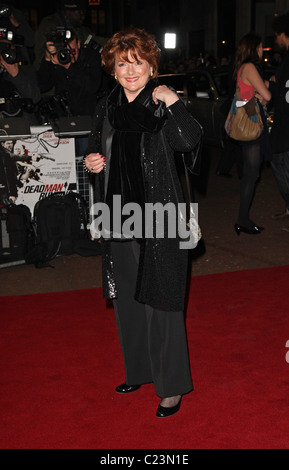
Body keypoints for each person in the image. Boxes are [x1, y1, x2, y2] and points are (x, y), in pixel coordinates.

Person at [84, 26, 202, 418]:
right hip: (117, 215)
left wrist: (174, 103)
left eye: (138, 63)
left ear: (151, 65)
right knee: (128, 302)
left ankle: (171, 387)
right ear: (112, 69)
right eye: (122, 64)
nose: (130, 70)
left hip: (159, 216)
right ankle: (139, 370)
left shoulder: (162, 102)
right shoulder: (107, 106)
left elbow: (188, 141)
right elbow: (95, 147)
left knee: (163, 300)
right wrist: (92, 163)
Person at [232, 32, 271, 236]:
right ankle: (242, 220)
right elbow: (266, 96)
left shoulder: (242, 68)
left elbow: (251, 94)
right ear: (254, 47)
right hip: (251, 122)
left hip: (248, 119)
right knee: (251, 175)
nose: (262, 49)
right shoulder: (249, 67)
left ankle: (243, 219)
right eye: (261, 46)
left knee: (250, 174)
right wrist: (265, 88)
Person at [37, 29, 103, 118]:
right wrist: (47, 58)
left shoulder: (91, 57)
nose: (70, 55)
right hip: (62, 116)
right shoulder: (58, 58)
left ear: (78, 44)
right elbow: (43, 86)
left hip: (87, 115)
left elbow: (92, 86)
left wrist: (69, 66)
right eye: (66, 51)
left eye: (73, 51)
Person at [33, 0, 106, 70]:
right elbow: (39, 55)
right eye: (79, 12)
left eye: (84, 12)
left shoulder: (81, 30)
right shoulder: (49, 25)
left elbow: (97, 40)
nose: (83, 16)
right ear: (68, 11)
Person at [268, 12, 289, 221]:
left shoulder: (286, 61)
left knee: (279, 161)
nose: (276, 40)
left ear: (283, 34)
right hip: (284, 124)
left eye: (277, 35)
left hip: (285, 125)